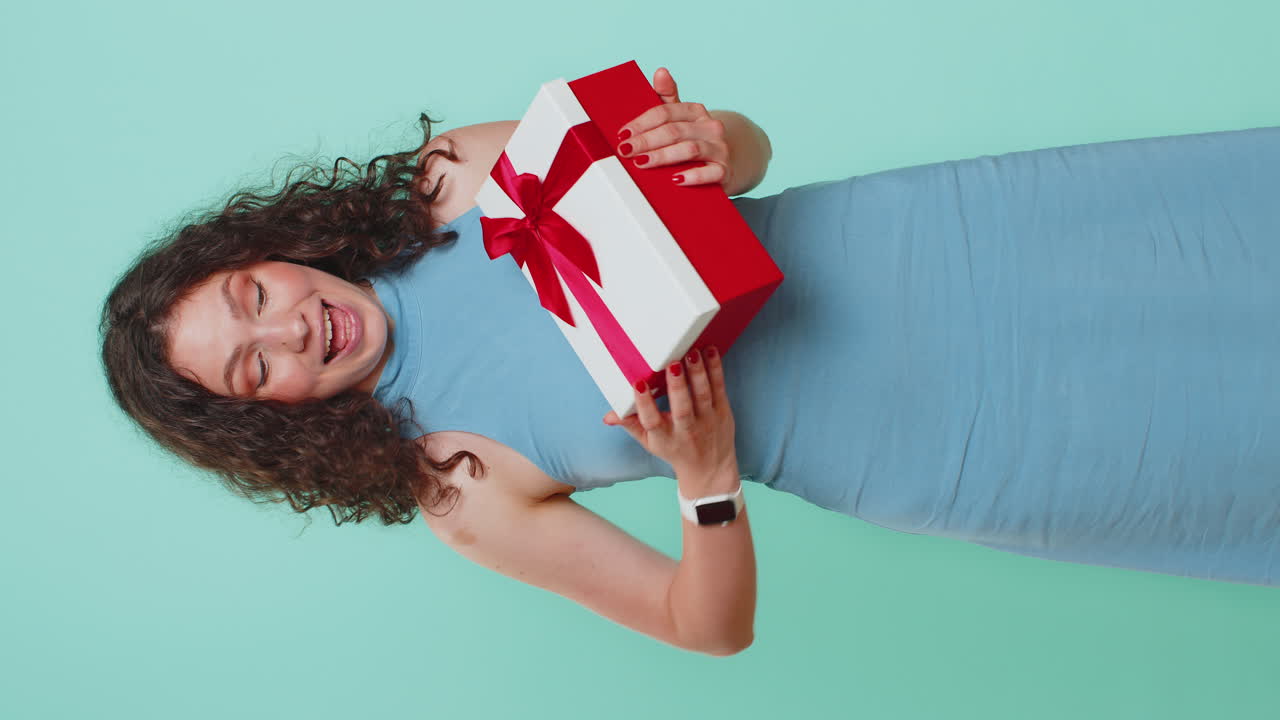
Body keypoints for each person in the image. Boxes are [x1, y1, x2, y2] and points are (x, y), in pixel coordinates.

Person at [102, 67, 1280, 656]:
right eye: (256, 370)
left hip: (934, 243)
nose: (293, 330)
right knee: (1205, 450)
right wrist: (702, 479)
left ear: (263, 252)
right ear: (270, 418)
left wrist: (714, 137)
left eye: (254, 297)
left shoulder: (448, 182)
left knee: (1208, 239)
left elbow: (742, 163)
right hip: (934, 440)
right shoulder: (451, 481)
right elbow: (701, 627)